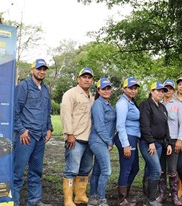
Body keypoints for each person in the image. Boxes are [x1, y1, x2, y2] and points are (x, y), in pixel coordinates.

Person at [13, 58, 53, 206]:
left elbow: (48, 111)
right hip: (26, 138)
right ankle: (14, 202)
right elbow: (15, 111)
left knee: (36, 172)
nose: (42, 72)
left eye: (44, 69)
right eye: (39, 69)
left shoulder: (45, 89)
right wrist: (21, 130)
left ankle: (35, 201)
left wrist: (49, 128)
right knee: (18, 172)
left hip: (41, 137)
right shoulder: (24, 86)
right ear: (32, 70)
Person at [60, 67, 95, 206]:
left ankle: (80, 196)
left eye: (89, 77)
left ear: (92, 80)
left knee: (85, 169)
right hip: (75, 138)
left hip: (88, 139)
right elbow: (66, 114)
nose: (87, 79)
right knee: (72, 170)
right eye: (84, 77)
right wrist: (69, 134)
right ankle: (68, 200)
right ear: (78, 79)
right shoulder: (70, 94)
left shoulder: (91, 96)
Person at [139, 82, 173, 206]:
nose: (160, 93)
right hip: (148, 143)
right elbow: (145, 124)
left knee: (149, 169)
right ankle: (152, 199)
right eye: (157, 90)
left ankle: (146, 198)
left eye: (162, 91)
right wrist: (150, 141)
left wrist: (168, 143)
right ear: (152, 91)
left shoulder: (162, 107)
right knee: (157, 170)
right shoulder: (146, 104)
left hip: (160, 144)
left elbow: (166, 127)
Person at [88, 78, 116, 206]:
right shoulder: (98, 104)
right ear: (98, 90)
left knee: (98, 170)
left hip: (102, 141)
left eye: (108, 88)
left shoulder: (107, 103)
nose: (106, 91)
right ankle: (101, 199)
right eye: (103, 89)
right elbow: (99, 126)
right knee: (107, 171)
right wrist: (109, 142)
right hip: (98, 141)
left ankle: (92, 198)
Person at [158, 79, 182, 206]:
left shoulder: (178, 104)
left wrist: (180, 139)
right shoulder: (158, 104)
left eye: (170, 88)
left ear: (173, 90)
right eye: (165, 89)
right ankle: (162, 194)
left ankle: (174, 196)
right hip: (160, 140)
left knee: (172, 168)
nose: (167, 91)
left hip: (174, 139)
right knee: (161, 168)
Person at [115, 77, 141, 206]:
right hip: (127, 138)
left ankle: (126, 195)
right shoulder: (122, 103)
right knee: (126, 169)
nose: (133, 90)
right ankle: (122, 199)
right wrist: (126, 145)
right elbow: (120, 125)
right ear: (124, 89)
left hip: (133, 137)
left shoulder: (131, 102)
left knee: (135, 168)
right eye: (130, 88)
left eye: (135, 88)